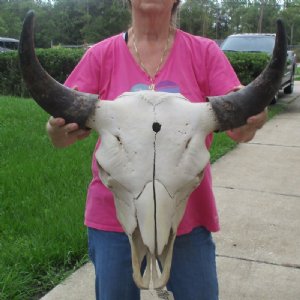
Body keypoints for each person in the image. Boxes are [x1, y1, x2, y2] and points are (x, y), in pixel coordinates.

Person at [46, 1, 267, 299]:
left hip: (188, 217)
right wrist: (56, 132)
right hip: (113, 218)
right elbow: (63, 134)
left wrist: (249, 122)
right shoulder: (100, 55)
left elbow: (239, 128)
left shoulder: (204, 53)